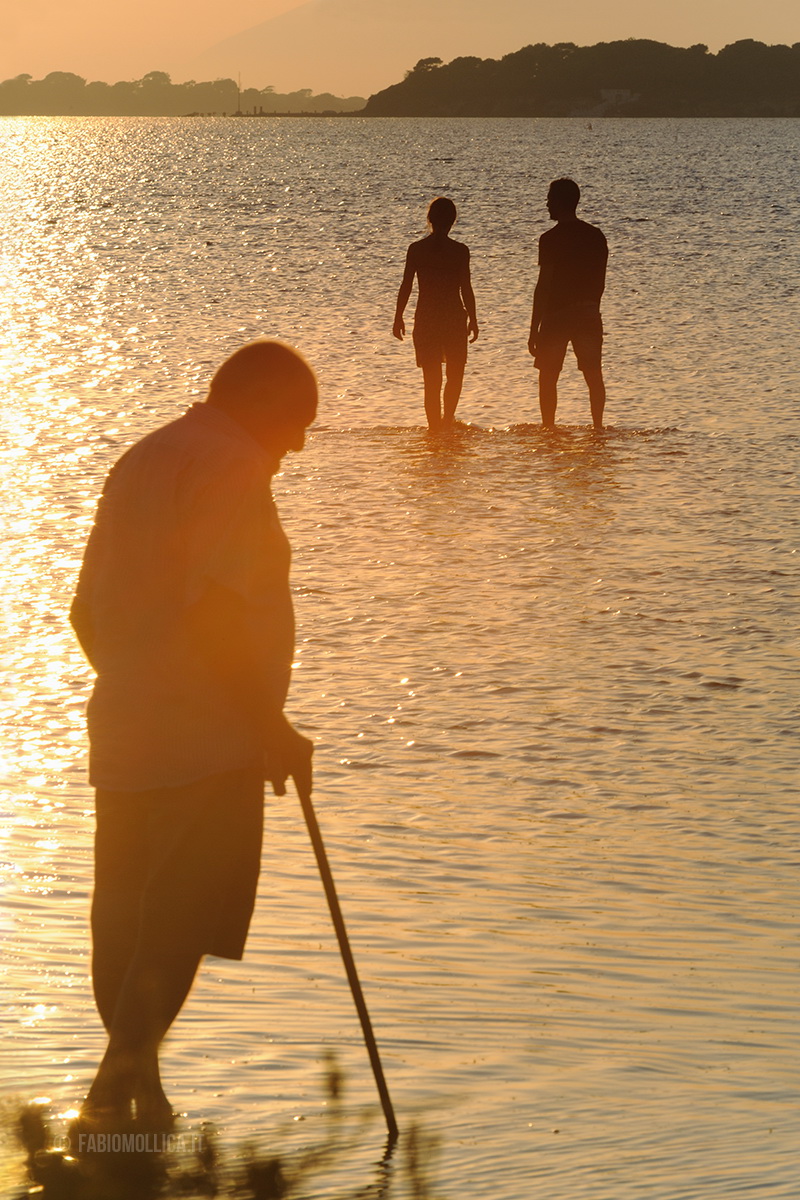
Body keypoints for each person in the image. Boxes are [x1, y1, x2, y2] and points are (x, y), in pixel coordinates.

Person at [69, 339, 318, 1134]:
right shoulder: (234, 467)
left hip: (125, 726)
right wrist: (266, 724)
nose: (299, 445)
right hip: (208, 741)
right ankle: (116, 1087)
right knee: (179, 916)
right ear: (262, 406)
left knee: (126, 911)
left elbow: (84, 610)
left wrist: (138, 683)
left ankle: (135, 1098)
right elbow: (215, 611)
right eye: (297, 423)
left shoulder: (144, 457)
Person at [528, 178, 608, 430]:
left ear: (561, 202)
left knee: (548, 377)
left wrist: (534, 328)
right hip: (587, 311)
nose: (547, 204)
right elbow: (601, 281)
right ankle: (597, 428)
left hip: (556, 314)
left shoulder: (550, 239)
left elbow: (544, 285)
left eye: (550, 199)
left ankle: (549, 429)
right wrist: (591, 306)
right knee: (593, 375)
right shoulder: (595, 236)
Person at [393, 196, 479, 431]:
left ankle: (434, 429)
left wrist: (398, 316)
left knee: (431, 380)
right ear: (453, 221)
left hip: (427, 318)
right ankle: (447, 421)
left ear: (429, 219)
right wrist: (473, 318)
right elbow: (466, 288)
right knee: (455, 375)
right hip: (453, 317)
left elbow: (406, 286)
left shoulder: (417, 249)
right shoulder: (460, 251)